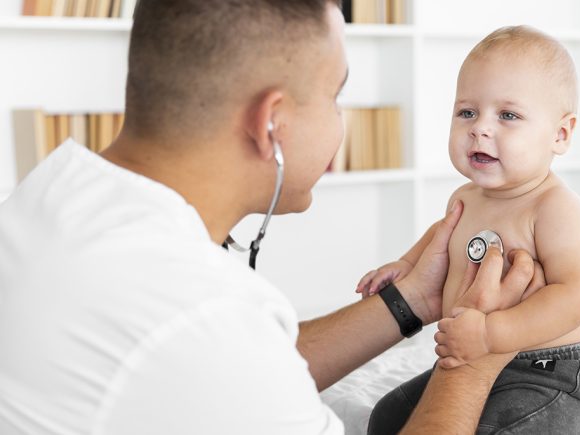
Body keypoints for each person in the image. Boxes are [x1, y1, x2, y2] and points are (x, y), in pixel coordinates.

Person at [0, 3, 540, 434]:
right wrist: (474, 360)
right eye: (335, 96)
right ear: (272, 122)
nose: (340, 123)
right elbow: (211, 343)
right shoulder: (198, 312)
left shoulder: (56, 190)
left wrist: (411, 302)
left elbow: (226, 372)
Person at [358, 26, 580, 434]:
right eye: (467, 112)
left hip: (546, 373)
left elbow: (575, 295)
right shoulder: (466, 196)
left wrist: (493, 335)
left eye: (508, 115)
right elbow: (443, 234)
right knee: (387, 415)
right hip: (476, 357)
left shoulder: (554, 207)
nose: (480, 128)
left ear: (560, 134)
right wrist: (405, 265)